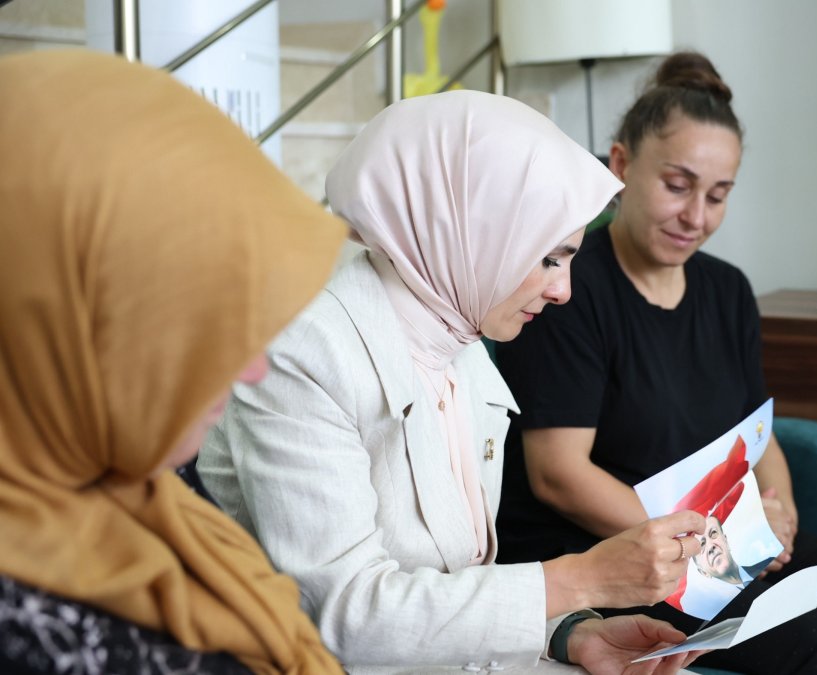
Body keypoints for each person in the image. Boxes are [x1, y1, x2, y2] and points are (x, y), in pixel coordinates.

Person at [197, 90, 707, 674]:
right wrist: (582, 580)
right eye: (548, 259)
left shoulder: (459, 338)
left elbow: (454, 579)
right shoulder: (304, 353)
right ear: (472, 232)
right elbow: (342, 618)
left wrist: (569, 634)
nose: (563, 290)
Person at [494, 51, 817, 674]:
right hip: (614, 547)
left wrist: (780, 510)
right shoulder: (568, 288)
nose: (696, 217)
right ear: (620, 166)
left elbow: (758, 428)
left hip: (717, 543)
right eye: (677, 186)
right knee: (816, 652)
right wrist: (713, 544)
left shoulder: (726, 290)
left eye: (717, 196)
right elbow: (558, 475)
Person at [0, 51, 346, 674]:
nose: (252, 371)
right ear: (63, 319)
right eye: (185, 326)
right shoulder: (24, 633)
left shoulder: (146, 487)